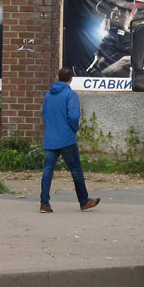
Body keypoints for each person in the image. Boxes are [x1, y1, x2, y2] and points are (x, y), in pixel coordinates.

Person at [40, 67, 100, 213]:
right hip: (66, 138)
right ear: (71, 79)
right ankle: (84, 201)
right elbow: (73, 117)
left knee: (48, 170)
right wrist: (74, 129)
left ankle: (44, 204)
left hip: (50, 137)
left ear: (57, 77)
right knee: (75, 170)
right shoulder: (70, 95)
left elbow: (44, 113)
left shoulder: (48, 95)